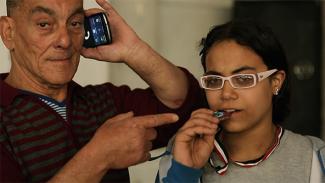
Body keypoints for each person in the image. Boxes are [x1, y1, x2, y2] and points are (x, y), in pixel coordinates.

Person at [0, 0, 204, 182]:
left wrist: (134, 50)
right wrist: (99, 157)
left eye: (75, 23)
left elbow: (182, 102)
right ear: (9, 32)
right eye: (44, 24)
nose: (65, 41)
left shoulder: (104, 100)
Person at [157, 19, 325, 183]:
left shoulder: (315, 158)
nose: (226, 94)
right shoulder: (184, 149)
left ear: (276, 82)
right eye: (215, 81)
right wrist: (184, 172)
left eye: (243, 79)